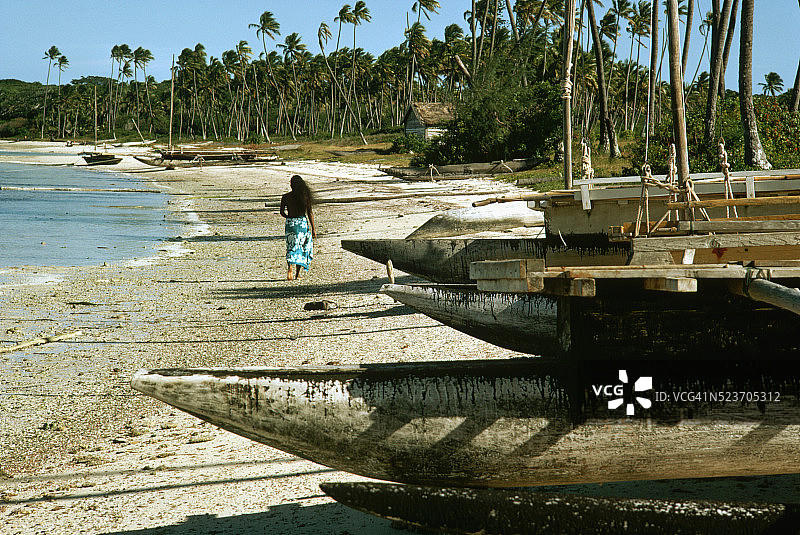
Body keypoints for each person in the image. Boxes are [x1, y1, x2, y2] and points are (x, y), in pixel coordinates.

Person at [280, 175, 316, 280]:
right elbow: (310, 213)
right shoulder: (305, 197)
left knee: (291, 246)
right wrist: (313, 229)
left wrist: (289, 218)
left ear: (291, 185)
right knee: (302, 247)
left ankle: (290, 267)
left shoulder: (286, 197)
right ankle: (297, 274)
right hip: (302, 224)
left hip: (290, 224)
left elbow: (282, 212)